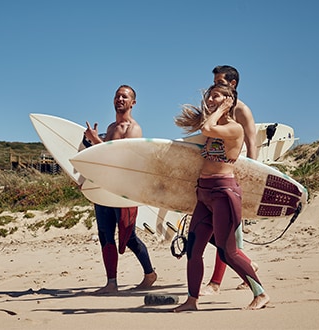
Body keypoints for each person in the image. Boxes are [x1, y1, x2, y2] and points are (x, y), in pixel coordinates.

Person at [173, 83, 269, 311]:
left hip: (224, 193)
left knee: (228, 252)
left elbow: (207, 128)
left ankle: (261, 293)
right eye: (208, 96)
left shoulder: (235, 129)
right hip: (204, 193)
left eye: (215, 96)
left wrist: (220, 109)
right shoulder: (214, 126)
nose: (209, 100)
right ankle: (191, 300)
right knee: (194, 250)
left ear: (229, 100)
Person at [83, 85, 158, 294]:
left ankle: (149, 274)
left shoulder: (134, 129)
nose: (119, 99)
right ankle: (111, 282)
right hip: (105, 188)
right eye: (117, 96)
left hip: (124, 191)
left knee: (128, 236)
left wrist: (96, 140)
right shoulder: (111, 127)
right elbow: (101, 158)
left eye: (124, 96)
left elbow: (122, 159)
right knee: (105, 235)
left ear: (133, 103)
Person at [203, 65, 259, 295]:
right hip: (214, 175)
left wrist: (250, 175)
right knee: (218, 233)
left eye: (220, 82)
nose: (215, 86)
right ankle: (247, 265)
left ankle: (217, 283)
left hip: (234, 173)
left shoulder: (242, 110)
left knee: (226, 232)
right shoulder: (213, 108)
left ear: (232, 85)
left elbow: (252, 141)